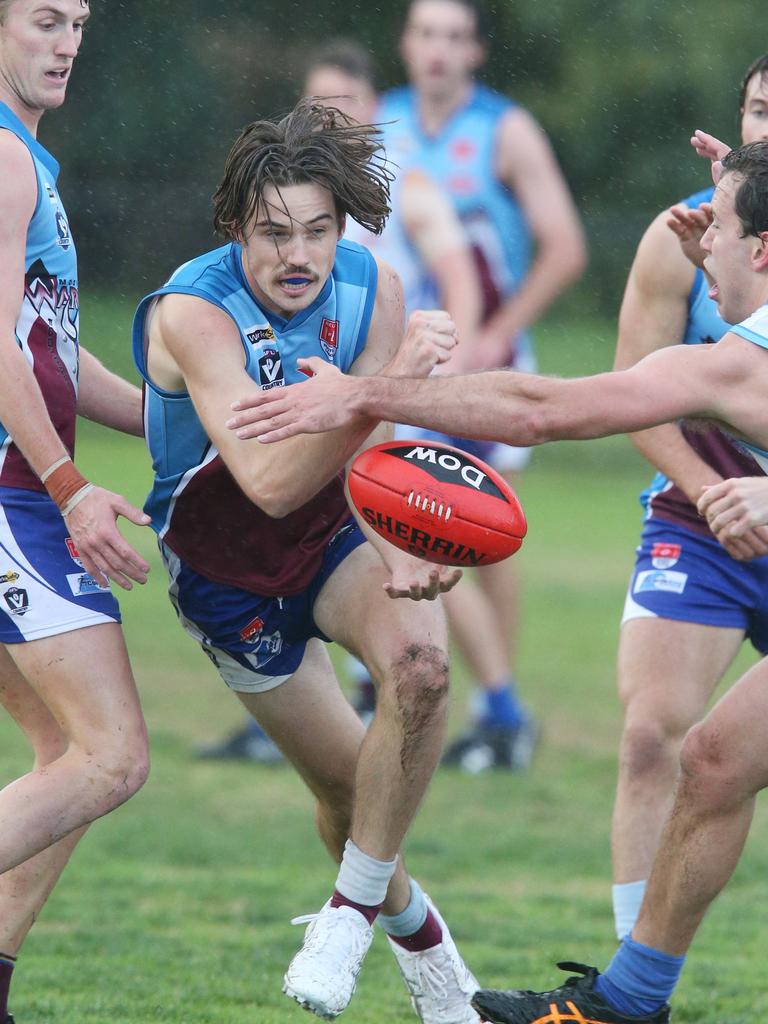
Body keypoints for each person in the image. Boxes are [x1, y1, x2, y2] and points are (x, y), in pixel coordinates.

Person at [227, 139, 768, 1023]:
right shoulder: (730, 359)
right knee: (710, 759)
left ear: (764, 249)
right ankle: (628, 1005)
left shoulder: (745, 365)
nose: (701, 240)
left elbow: (538, 410)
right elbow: (540, 406)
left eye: (725, 226)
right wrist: (372, 398)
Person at [133, 99, 483, 1023]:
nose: (298, 256)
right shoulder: (193, 311)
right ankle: (428, 950)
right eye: (273, 233)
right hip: (226, 569)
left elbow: (370, 458)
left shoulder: (375, 287)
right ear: (234, 228)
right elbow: (269, 483)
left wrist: (405, 539)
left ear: (343, 227)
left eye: (318, 232)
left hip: (337, 535)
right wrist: (385, 382)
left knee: (423, 668)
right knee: (345, 792)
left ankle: (346, 917)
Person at [199, 38, 486, 759]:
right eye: (316, 107)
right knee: (393, 545)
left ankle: (499, 701)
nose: (330, 120)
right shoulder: (273, 219)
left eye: (345, 107)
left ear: (372, 110)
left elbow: (460, 275)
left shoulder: (406, 194)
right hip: (361, 398)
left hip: (401, 391)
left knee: (438, 547)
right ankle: (334, 698)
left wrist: (451, 363)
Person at [379, 0, 588, 768]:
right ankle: (478, 697)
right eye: (426, 33)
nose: (439, 50)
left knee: (485, 534)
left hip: (486, 360)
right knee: (421, 518)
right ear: (405, 43)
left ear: (477, 50)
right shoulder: (382, 122)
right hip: (407, 358)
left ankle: (498, 697)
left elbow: (564, 247)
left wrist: (498, 332)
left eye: (455, 36)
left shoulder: (506, 130)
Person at [0, 2, 153, 1020]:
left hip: (21, 486)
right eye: (44, 19)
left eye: (80, 23)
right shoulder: (5, 163)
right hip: (14, 493)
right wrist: (67, 485)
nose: (67, 43)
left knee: (66, 755)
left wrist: (192, 427)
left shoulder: (31, 165)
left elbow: (55, 352)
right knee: (111, 755)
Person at [608, 53, 768, 942]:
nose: (766, 128)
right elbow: (625, 392)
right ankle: (630, 980)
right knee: (651, 738)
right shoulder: (685, 233)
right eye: (757, 109)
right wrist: (713, 495)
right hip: (702, 517)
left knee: (735, 757)